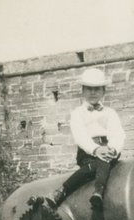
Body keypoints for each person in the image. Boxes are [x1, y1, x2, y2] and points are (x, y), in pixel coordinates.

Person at [46, 67, 125, 210]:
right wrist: (95, 149)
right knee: (99, 163)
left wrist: (112, 148)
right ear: (82, 91)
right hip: (88, 152)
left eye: (97, 89)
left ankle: (88, 192)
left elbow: (118, 133)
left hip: (108, 149)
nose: (93, 92)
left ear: (103, 91)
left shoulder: (110, 113)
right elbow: (80, 136)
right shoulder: (78, 113)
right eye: (89, 89)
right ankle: (83, 190)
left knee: (105, 159)